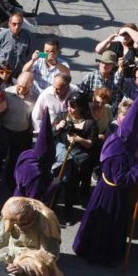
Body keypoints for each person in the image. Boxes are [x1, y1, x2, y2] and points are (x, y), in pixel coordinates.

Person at [73, 86, 138, 265]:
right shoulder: (120, 152)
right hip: (112, 193)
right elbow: (122, 179)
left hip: (103, 188)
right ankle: (101, 255)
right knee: (106, 225)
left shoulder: (115, 139)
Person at [50, 92, 97, 223]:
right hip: (60, 158)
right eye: (69, 106)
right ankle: (51, 207)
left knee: (71, 187)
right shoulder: (63, 116)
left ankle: (68, 212)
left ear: (81, 107)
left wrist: (79, 140)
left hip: (77, 160)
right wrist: (57, 127)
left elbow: (92, 144)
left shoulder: (89, 123)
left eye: (73, 106)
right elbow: (51, 133)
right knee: (56, 183)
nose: (70, 109)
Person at [0, 12, 33, 77]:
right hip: (1, 73)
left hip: (17, 73)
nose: (17, 27)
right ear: (9, 24)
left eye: (19, 24)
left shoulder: (27, 35)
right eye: (14, 24)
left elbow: (27, 53)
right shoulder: (0, 36)